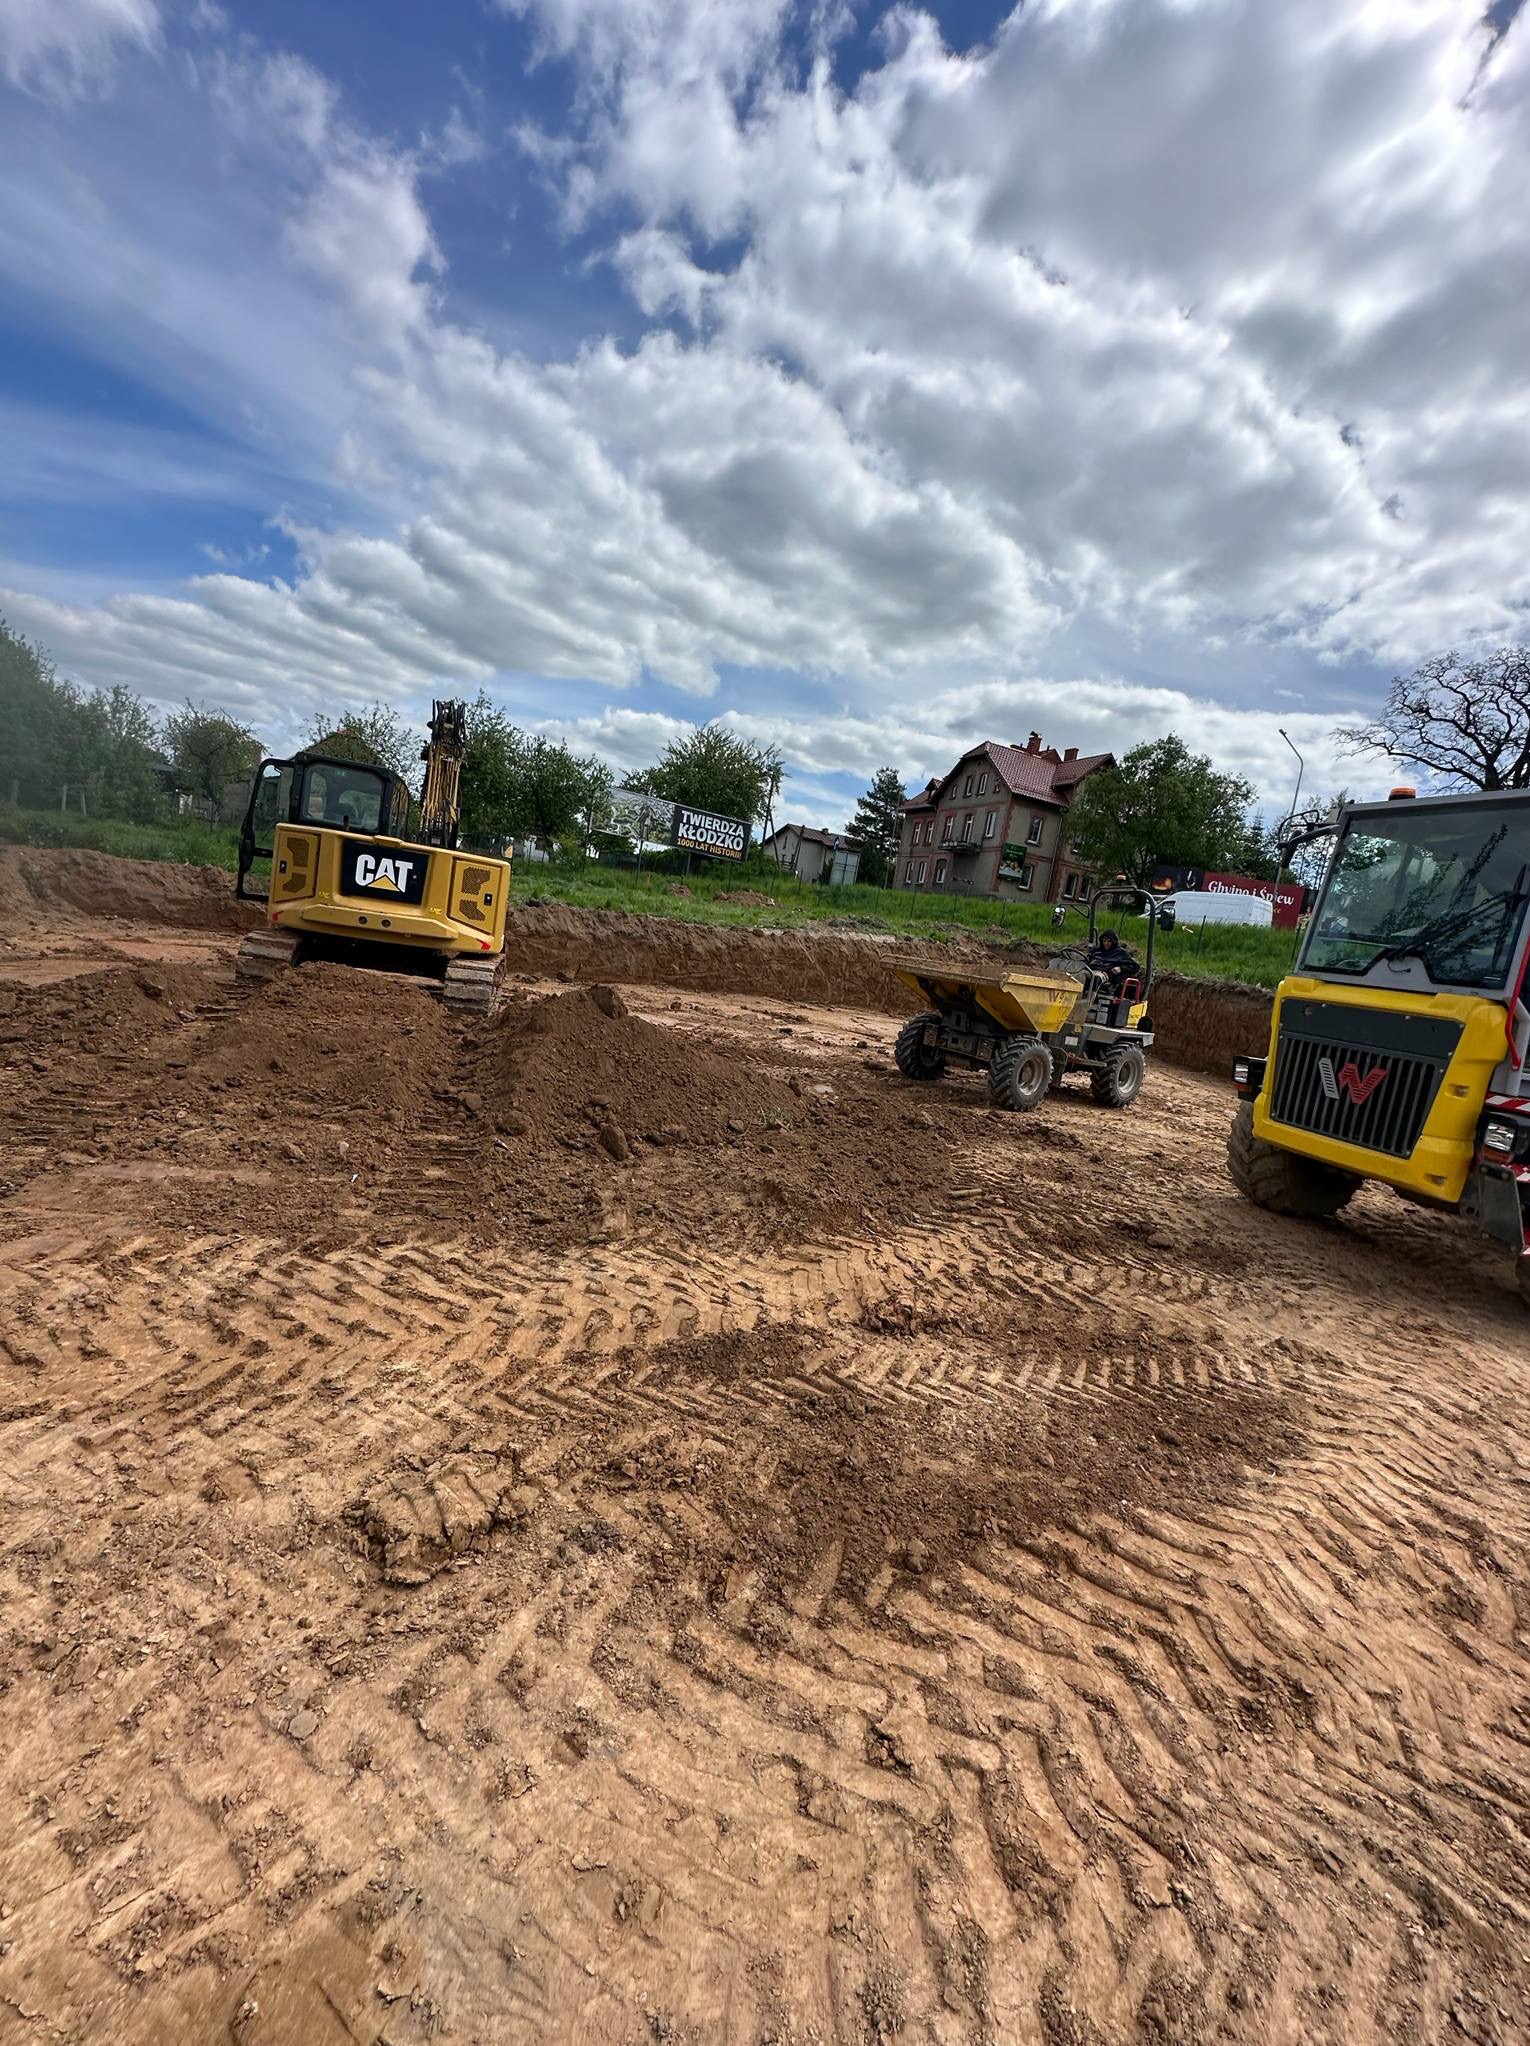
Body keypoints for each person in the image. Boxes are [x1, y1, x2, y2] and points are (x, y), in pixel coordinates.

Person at [1086, 928, 1141, 994]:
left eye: (1109, 941)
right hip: (1090, 970)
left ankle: (1090, 1000)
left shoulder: (1120, 953)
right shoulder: (1096, 950)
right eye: (1104, 941)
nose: (1106, 943)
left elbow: (1135, 966)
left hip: (1105, 974)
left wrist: (1120, 968)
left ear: (1113, 941)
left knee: (1096, 978)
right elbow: (1086, 960)